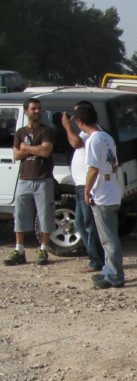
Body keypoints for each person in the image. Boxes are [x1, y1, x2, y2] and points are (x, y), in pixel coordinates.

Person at [4, 97, 56, 266]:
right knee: (20, 214)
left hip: (43, 179)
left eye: (39, 108)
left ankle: (43, 249)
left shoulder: (47, 131)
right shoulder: (20, 132)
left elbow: (46, 151)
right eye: (33, 109)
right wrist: (35, 149)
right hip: (24, 179)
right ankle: (19, 249)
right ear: (26, 111)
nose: (37, 111)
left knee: (45, 215)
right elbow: (16, 154)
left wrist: (26, 148)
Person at [84, 105, 124, 289]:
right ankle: (110, 270)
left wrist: (87, 190)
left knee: (108, 239)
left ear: (79, 122)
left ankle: (114, 275)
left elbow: (93, 169)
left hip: (102, 194)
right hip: (112, 191)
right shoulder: (107, 137)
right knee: (110, 236)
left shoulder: (93, 140)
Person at [61, 102, 105, 273]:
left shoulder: (90, 133)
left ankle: (97, 260)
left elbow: (76, 143)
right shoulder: (86, 132)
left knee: (89, 224)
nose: (73, 118)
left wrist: (67, 126)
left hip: (86, 186)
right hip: (80, 184)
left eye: (76, 114)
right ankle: (95, 256)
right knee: (80, 223)